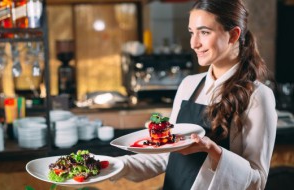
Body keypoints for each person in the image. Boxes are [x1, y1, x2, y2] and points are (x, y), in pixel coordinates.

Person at [112, 0, 277, 189]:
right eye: (192, 32)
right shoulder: (188, 85)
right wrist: (115, 165)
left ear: (233, 35)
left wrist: (215, 152)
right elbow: (167, 155)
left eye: (204, 32)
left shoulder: (258, 96)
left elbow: (258, 181)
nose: (193, 43)